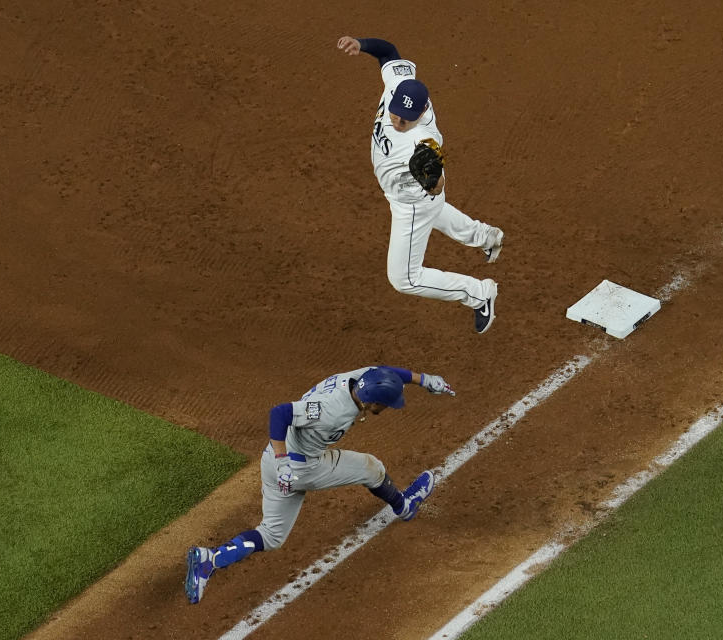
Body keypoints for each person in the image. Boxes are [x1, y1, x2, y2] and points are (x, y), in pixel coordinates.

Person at [185, 365, 455, 604]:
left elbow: (386, 372)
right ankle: (404, 506)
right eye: (387, 404)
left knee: (271, 536)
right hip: (298, 467)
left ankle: (210, 559)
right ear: (373, 402)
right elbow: (280, 413)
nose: (388, 408)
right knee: (371, 468)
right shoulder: (331, 411)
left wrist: (424, 379)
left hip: (274, 461)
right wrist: (284, 461)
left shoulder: (361, 379)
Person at [337, 35, 504, 334]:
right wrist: (360, 44)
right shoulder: (397, 86)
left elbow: (437, 187)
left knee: (404, 279)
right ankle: (486, 237)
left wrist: (430, 180)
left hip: (412, 201)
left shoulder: (425, 140)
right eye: (396, 114)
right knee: (436, 211)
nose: (398, 122)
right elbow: (388, 52)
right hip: (406, 194)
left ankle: (479, 293)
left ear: (422, 112)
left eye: (406, 120)